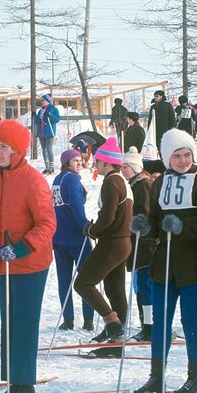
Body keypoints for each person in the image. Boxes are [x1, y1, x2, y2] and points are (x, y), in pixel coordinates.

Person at [130, 129, 197, 393]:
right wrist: (145, 227)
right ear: (167, 158)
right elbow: (156, 219)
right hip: (165, 264)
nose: (183, 161)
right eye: (177, 156)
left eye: (187, 155)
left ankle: (196, 378)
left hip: (195, 263)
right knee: (160, 323)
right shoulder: (160, 183)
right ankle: (156, 377)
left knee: (191, 321)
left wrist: (183, 225)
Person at [0, 119, 56, 393]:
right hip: (5, 262)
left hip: (29, 264)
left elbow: (48, 224)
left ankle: (25, 385)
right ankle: (14, 381)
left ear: (17, 150)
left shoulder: (33, 181)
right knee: (9, 324)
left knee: (24, 324)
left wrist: (22, 248)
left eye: (3, 147)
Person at [75, 136, 133, 343]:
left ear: (108, 163)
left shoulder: (111, 182)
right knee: (114, 287)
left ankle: (112, 323)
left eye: (98, 162)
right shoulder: (122, 181)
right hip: (123, 241)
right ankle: (119, 333)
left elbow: (108, 217)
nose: (95, 165)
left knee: (83, 283)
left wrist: (92, 229)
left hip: (112, 241)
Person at [51, 148, 95, 332]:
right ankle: (88, 319)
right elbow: (77, 207)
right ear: (66, 163)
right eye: (75, 161)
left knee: (64, 280)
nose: (79, 163)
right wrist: (87, 227)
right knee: (87, 278)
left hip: (59, 237)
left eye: (80, 160)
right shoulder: (72, 179)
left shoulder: (56, 179)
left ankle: (68, 319)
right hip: (76, 237)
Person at [122, 149, 156, 341]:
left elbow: (143, 211)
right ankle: (147, 323)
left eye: (126, 167)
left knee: (145, 284)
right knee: (142, 284)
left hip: (145, 241)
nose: (123, 170)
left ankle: (150, 325)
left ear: (135, 167)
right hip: (139, 241)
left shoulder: (142, 184)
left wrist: (132, 223)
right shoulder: (135, 183)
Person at [34, 93, 61, 175]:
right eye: (41, 100)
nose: (41, 102)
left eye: (43, 100)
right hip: (41, 132)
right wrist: (34, 116)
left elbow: (57, 119)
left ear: (47, 100)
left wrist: (49, 114)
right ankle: (47, 167)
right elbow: (37, 121)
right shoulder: (41, 110)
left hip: (49, 132)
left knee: (49, 149)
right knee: (44, 150)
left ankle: (52, 168)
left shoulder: (53, 109)